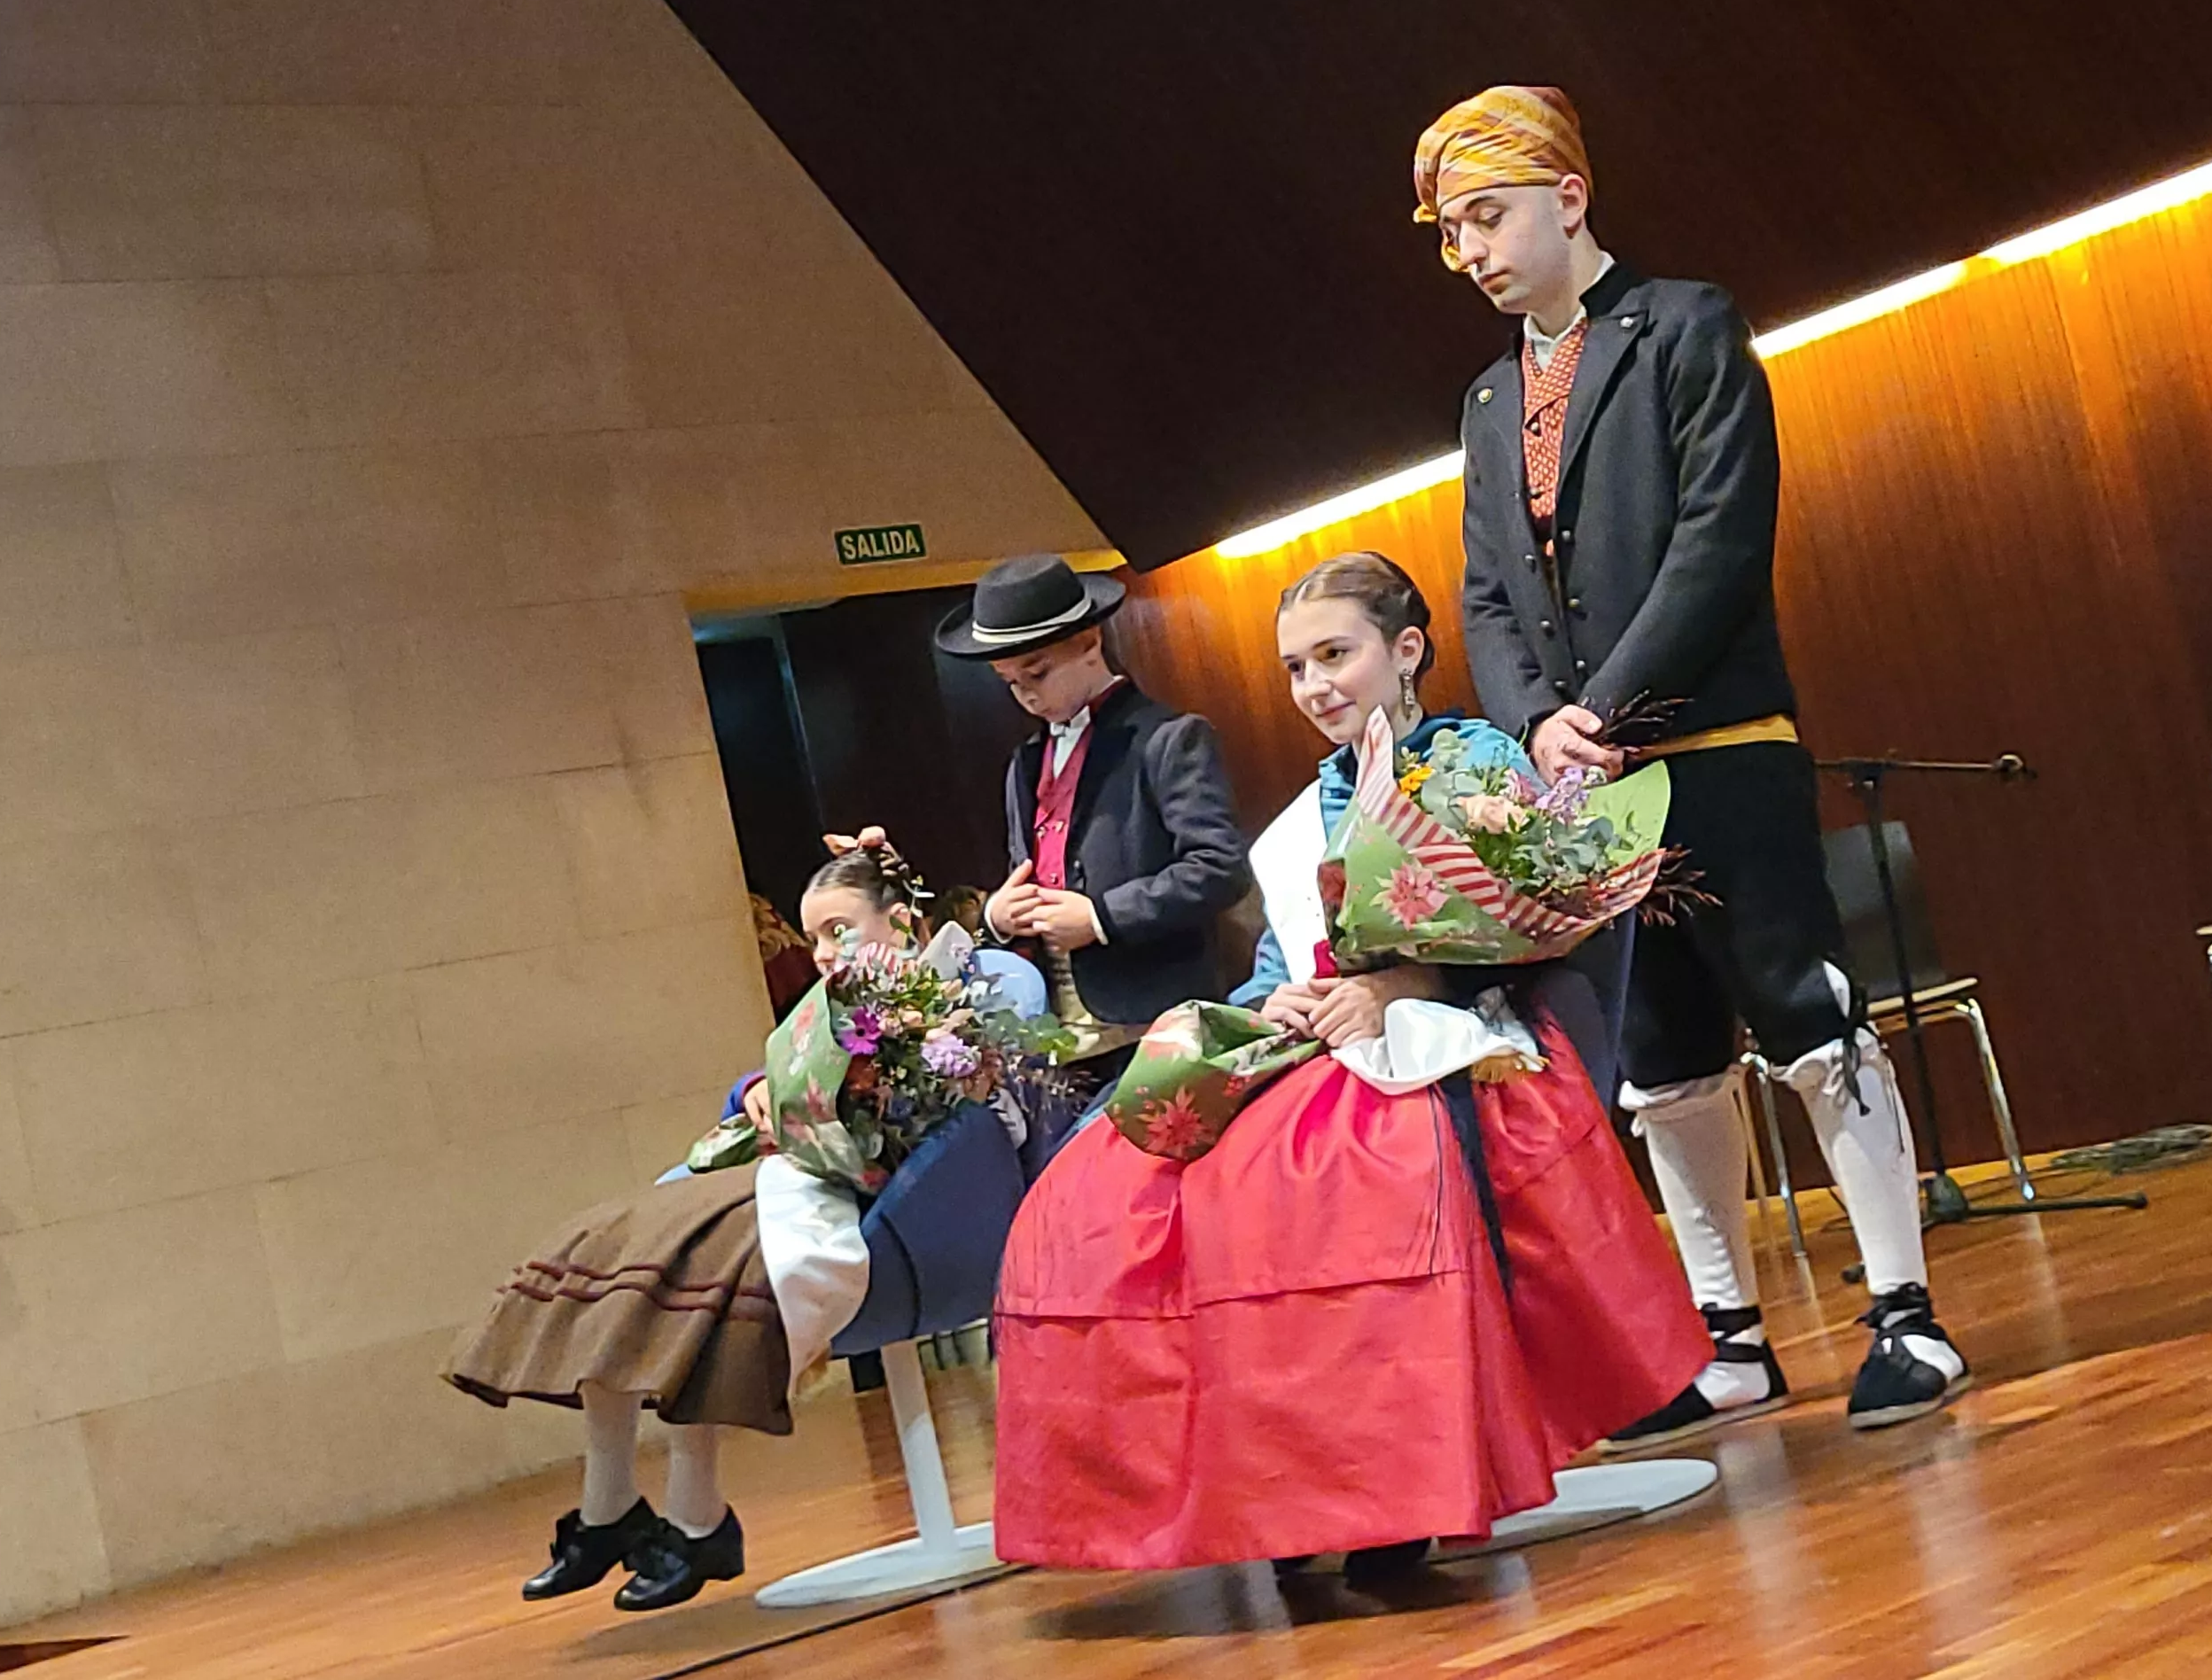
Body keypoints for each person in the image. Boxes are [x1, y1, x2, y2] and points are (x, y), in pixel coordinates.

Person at [1418, 84, 1971, 1435]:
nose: (1474, 251)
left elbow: (1719, 539)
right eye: (1449, 233)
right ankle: (1727, 1330)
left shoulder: (1687, 325)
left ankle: (1904, 1312)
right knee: (1661, 1051)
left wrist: (1601, 706)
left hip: (1715, 745)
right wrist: (1534, 720)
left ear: (1569, 194)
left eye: (1488, 215)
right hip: (1579, 781)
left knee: (1800, 1004)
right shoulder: (1488, 397)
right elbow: (1487, 590)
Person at [991, 552, 1710, 1578]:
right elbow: (1284, 961)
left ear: (1405, 648)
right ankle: (1291, 1489)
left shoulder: (1477, 768)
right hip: (1329, 1038)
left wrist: (1402, 986)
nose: (1316, 685)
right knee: (1113, 1176)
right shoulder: (1304, 812)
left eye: (1336, 654)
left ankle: (1387, 1493)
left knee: (1325, 1175)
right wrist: (1266, 1001)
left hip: (1474, 1034)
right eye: (1295, 667)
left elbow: (1532, 938)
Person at [442, 847, 1044, 1611]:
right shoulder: (832, 1005)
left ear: (897, 920)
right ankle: (609, 1502)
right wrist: (756, 1088)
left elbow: (983, 1124)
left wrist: (885, 1090)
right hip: (803, 1176)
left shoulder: (978, 988)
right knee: (620, 1245)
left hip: (907, 1212)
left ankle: (696, 1519)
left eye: (837, 930)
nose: (823, 953)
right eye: (813, 936)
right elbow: (782, 1076)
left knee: (708, 1271)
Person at [934, 553, 1254, 1167]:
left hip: (1152, 1019)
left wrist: (1101, 916)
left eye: (1037, 671)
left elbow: (1219, 866)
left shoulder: (1168, 737)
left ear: (1089, 640)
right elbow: (1027, 875)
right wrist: (998, 917)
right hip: (1052, 1037)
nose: (1026, 694)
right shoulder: (1024, 762)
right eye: (1010, 682)